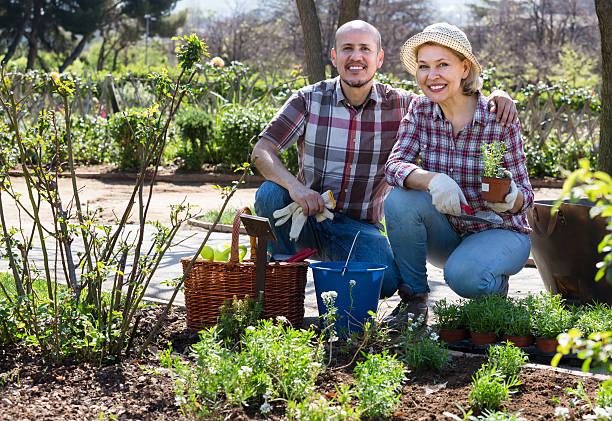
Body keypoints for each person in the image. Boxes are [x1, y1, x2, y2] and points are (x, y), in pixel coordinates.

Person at [252, 19, 518, 305]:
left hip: (358, 230)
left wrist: (496, 97)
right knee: (270, 193)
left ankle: (353, 271)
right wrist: (296, 187)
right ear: (334, 57)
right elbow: (261, 150)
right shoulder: (308, 99)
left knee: (388, 281)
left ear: (379, 58)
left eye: (365, 49)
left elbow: (448, 91)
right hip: (306, 218)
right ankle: (281, 281)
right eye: (347, 49)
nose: (356, 57)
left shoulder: (404, 104)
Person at [384, 22, 533, 321]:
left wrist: (511, 197)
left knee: (464, 277)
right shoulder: (421, 110)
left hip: (499, 232)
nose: (432, 75)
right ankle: (414, 300)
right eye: (424, 66)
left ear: (465, 68)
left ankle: (491, 283)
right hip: (449, 233)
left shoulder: (498, 118)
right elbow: (394, 165)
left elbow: (527, 198)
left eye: (443, 65)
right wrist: (434, 180)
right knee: (399, 200)